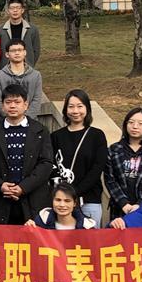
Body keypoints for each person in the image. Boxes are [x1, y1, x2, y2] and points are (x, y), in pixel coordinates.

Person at [25, 183, 96, 282]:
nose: (62, 205)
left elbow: (95, 257)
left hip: (74, 276)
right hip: (47, 275)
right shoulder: (43, 218)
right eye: (58, 200)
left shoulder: (86, 226)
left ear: (75, 203)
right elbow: (31, 246)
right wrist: (29, 229)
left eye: (67, 201)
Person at [0, 84, 53, 224]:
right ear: (2, 105)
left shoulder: (40, 130)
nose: (12, 106)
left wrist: (23, 187)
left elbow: (46, 163)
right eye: (8, 102)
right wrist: (0, 185)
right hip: (0, 199)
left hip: (32, 198)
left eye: (17, 102)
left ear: (26, 105)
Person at [51, 89, 108, 226]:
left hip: (89, 201)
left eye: (80, 106)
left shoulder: (97, 136)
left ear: (87, 108)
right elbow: (51, 165)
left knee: (90, 239)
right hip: (62, 202)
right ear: (66, 110)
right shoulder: (56, 136)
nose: (75, 111)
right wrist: (63, 194)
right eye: (71, 106)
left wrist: (75, 192)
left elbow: (97, 169)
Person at [0, 40, 43, 119]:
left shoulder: (35, 75)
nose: (17, 53)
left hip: (30, 120)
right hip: (5, 120)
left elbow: (37, 99)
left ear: (25, 52)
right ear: (7, 54)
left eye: (20, 50)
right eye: (13, 51)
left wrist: (25, 119)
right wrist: (11, 117)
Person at [0, 0, 41, 69]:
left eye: (18, 8)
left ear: (22, 10)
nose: (15, 10)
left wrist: (30, 64)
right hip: (6, 69)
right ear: (8, 11)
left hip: (26, 68)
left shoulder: (32, 29)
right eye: (12, 8)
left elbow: (36, 50)